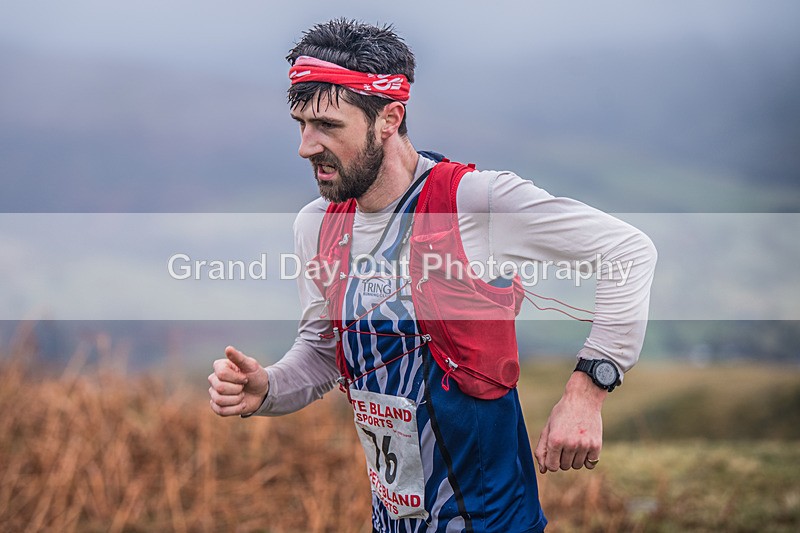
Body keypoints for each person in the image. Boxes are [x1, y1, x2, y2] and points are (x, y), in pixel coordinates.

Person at [208, 18, 657, 532]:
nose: (306, 147)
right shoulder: (317, 225)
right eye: (301, 125)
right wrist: (266, 388)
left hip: (493, 522)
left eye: (328, 126)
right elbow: (323, 351)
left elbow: (629, 251)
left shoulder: (471, 202)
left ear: (389, 118)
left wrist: (587, 391)